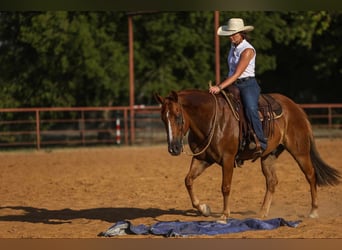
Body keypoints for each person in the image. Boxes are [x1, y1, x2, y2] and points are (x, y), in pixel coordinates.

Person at [209, 18, 267, 154]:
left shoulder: (247, 50)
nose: (231, 37)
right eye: (229, 34)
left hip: (247, 84)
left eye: (234, 34)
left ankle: (261, 141)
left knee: (250, 108)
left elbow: (236, 74)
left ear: (242, 33)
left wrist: (219, 87)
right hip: (233, 83)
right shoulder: (233, 46)